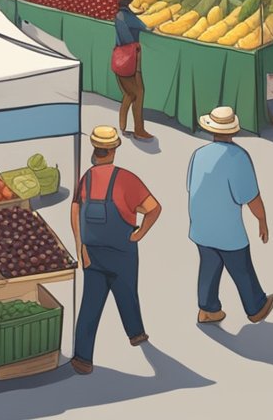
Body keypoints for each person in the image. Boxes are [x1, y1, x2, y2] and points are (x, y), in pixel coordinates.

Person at [70, 126, 161, 375]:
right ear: (113, 150)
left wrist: (80, 248)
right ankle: (135, 333)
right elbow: (153, 208)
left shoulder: (86, 178)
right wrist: (140, 233)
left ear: (94, 149)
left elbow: (75, 211)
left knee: (91, 303)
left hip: (93, 253)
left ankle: (82, 358)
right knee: (127, 292)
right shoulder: (125, 178)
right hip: (122, 252)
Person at [189, 108, 273, 326]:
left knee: (209, 265)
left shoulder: (198, 154)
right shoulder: (238, 157)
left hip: (200, 225)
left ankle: (207, 309)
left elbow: (191, 187)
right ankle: (256, 306)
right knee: (241, 267)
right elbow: (250, 197)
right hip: (227, 229)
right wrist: (262, 220)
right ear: (232, 131)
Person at [114, 0, 153, 141]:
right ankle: (139, 129)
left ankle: (122, 125)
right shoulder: (130, 17)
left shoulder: (118, 15)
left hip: (119, 56)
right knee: (139, 93)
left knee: (129, 94)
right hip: (132, 57)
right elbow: (145, 27)